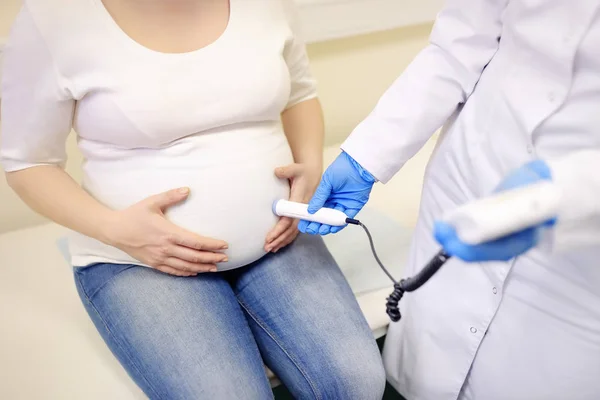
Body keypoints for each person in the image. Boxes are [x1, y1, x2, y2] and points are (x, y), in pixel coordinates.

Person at [0, 1, 387, 398]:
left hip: (278, 238)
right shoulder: (54, 18)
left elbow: (300, 94)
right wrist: (117, 230)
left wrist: (309, 165)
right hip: (138, 259)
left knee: (357, 384)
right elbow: (28, 164)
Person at [303, 0, 600, 399]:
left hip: (581, 245)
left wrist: (574, 193)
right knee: (429, 369)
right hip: (474, 167)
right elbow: (459, 43)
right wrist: (366, 156)